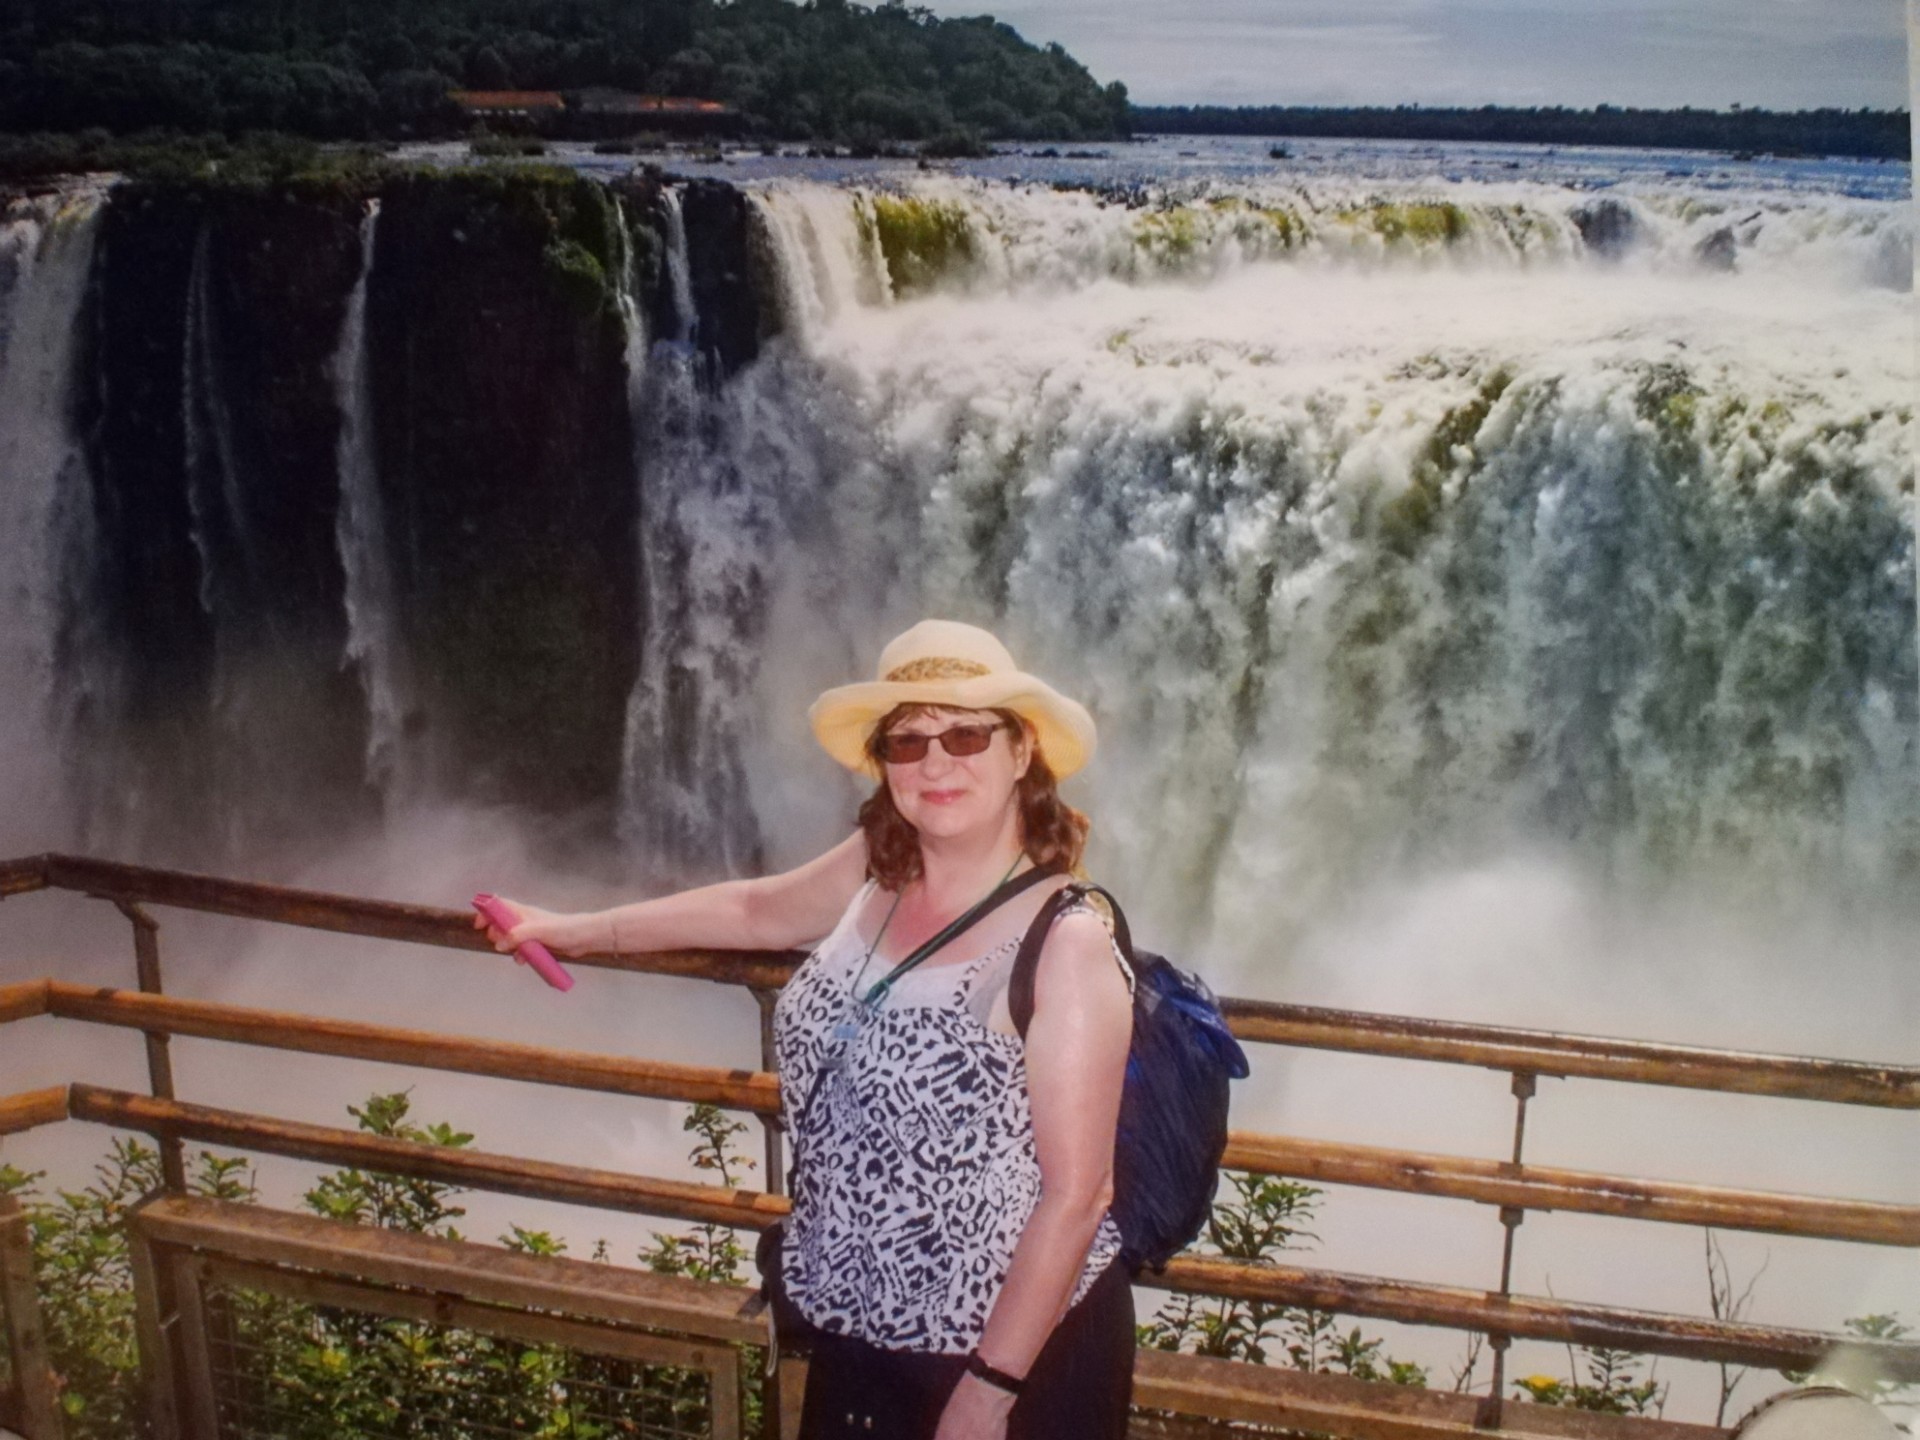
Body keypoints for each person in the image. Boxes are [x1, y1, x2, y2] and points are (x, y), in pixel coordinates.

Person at [477, 619, 1137, 1440]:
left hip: (1005, 1352)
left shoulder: (1064, 940)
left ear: (1020, 751)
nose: (936, 762)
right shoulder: (880, 867)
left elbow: (1080, 1198)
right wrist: (572, 928)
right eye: (907, 742)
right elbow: (755, 909)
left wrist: (987, 1393)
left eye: (967, 734)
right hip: (855, 1327)